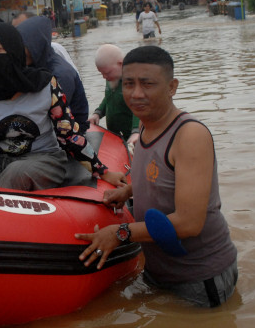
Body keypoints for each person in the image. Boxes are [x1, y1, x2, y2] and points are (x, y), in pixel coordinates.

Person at [75, 45, 238, 308]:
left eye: (147, 84)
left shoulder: (189, 135)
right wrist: (128, 191)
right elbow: (160, 175)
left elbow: (188, 223)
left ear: (172, 86)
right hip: (159, 270)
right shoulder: (145, 125)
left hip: (199, 278)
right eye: (128, 84)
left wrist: (120, 232)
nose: (136, 93)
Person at [0, 23, 126, 191]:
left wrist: (102, 171)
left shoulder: (45, 84)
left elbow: (68, 134)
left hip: (44, 158)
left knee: (16, 173)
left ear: (14, 51)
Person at [16, 14, 89, 131]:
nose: (16, 51)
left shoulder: (60, 74)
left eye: (21, 45)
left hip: (71, 130)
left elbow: (55, 113)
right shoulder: (34, 65)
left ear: (36, 44)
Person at [88, 44, 140, 148]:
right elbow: (108, 98)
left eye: (107, 73)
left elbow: (138, 107)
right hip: (114, 134)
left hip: (131, 136)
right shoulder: (111, 78)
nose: (104, 77)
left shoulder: (133, 81)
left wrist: (136, 131)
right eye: (101, 73)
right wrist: (98, 113)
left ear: (121, 64)